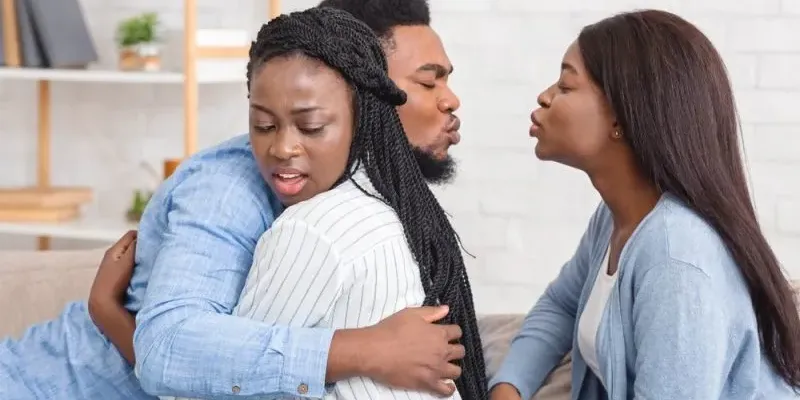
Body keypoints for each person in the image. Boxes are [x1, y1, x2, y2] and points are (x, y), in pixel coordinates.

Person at [0, 1, 469, 399]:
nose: (450, 100)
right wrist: (366, 350)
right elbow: (168, 348)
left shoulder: (367, 200)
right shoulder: (229, 186)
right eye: (427, 82)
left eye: (309, 125)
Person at [170, 7, 486, 399]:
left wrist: (112, 317)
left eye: (312, 126)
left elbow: (211, 391)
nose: (282, 148)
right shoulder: (392, 205)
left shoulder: (311, 229)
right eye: (263, 125)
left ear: (362, 116)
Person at [489, 9, 800, 400]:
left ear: (621, 117)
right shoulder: (615, 218)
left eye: (566, 86)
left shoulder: (675, 256)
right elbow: (561, 307)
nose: (545, 96)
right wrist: (507, 389)